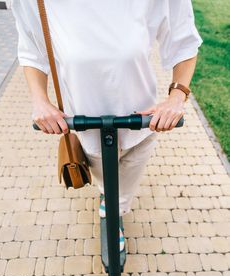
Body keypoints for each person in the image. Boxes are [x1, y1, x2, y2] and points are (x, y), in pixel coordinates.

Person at [11, 0, 202, 252]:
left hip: (142, 123)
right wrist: (40, 100)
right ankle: (110, 205)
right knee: (104, 180)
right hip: (84, 126)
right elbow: (31, 51)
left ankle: (116, 208)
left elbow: (184, 41)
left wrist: (177, 96)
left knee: (126, 185)